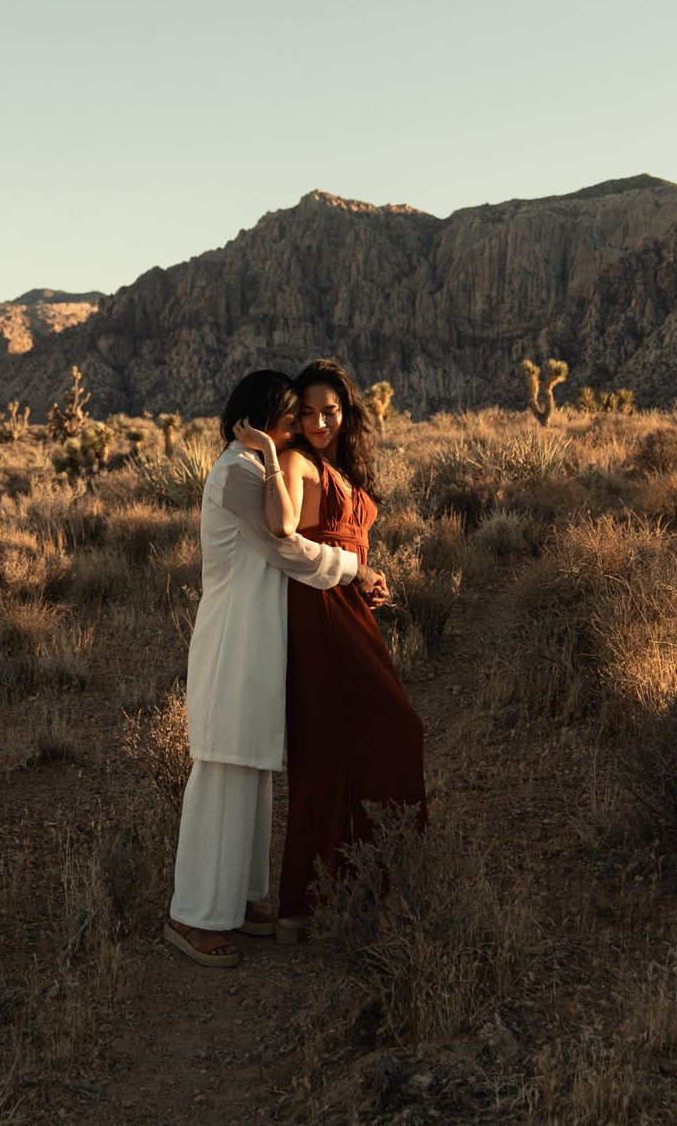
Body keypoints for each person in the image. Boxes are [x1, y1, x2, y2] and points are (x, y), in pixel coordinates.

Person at [162, 369, 384, 967]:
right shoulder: (237, 472)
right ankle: (192, 916)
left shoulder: (253, 468)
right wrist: (352, 569)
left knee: (253, 767)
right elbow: (285, 545)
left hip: (257, 639)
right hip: (234, 641)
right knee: (223, 770)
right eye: (288, 419)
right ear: (261, 420)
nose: (297, 431)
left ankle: (237, 902)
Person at [265, 359, 426, 936]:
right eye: (305, 413)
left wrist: (366, 575)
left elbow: (346, 539)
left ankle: (316, 905)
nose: (317, 422)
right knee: (394, 730)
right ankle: (366, 893)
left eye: (328, 411)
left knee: (337, 747)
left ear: (346, 411)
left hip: (347, 602)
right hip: (318, 608)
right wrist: (353, 573)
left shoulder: (341, 464)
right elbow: (286, 535)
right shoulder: (296, 461)